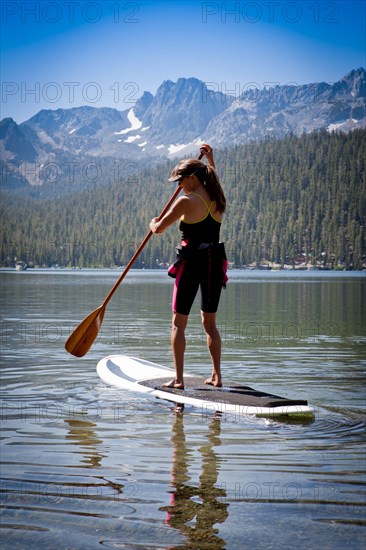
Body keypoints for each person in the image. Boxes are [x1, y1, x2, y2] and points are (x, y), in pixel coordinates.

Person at [149, 144, 228, 389]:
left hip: (192, 261)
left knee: (178, 323)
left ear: (193, 178)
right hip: (215, 260)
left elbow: (160, 229)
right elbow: (212, 176)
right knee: (210, 323)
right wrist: (211, 160)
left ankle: (179, 380)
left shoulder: (185, 201)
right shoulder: (217, 198)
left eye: (181, 180)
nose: (178, 185)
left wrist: (153, 223)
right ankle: (217, 376)